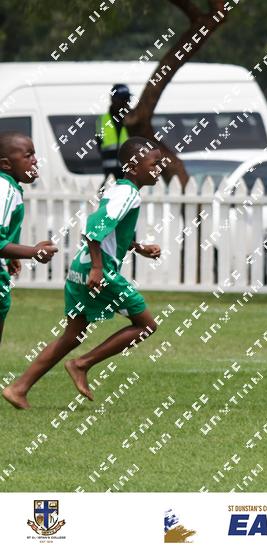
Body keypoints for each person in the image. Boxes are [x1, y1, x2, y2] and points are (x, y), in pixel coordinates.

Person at [2, 137, 163, 410]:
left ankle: (18, 389)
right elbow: (93, 227)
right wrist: (98, 269)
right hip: (98, 271)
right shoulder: (128, 194)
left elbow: (109, 231)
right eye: (154, 163)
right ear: (135, 168)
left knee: (72, 336)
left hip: (80, 267)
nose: (159, 168)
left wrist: (138, 248)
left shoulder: (120, 190)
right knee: (146, 325)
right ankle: (82, 364)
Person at [0, 131, 58, 345]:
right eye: (28, 155)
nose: (35, 160)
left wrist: (12, 256)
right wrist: (33, 252)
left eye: (34, 154)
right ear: (6, 164)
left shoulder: (9, 187)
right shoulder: (5, 189)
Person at [96, 83, 131, 180]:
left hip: (129, 174)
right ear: (113, 100)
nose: (126, 102)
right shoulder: (102, 120)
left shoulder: (134, 119)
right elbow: (99, 145)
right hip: (109, 175)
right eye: (123, 99)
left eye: (128, 99)